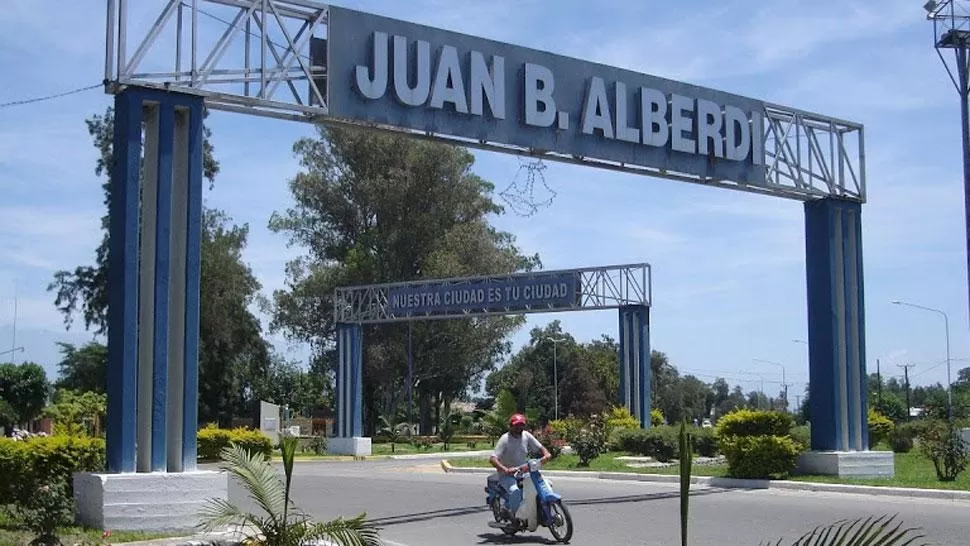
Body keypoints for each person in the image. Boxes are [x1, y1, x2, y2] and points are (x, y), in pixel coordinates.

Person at [488, 413, 551, 518]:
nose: (519, 428)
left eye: (521, 425)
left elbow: (540, 447)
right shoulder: (505, 439)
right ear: (510, 426)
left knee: (543, 485)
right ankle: (513, 515)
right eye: (516, 425)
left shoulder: (526, 435)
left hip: (524, 471)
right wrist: (505, 469)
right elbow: (493, 459)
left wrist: (546, 454)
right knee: (515, 491)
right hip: (507, 475)